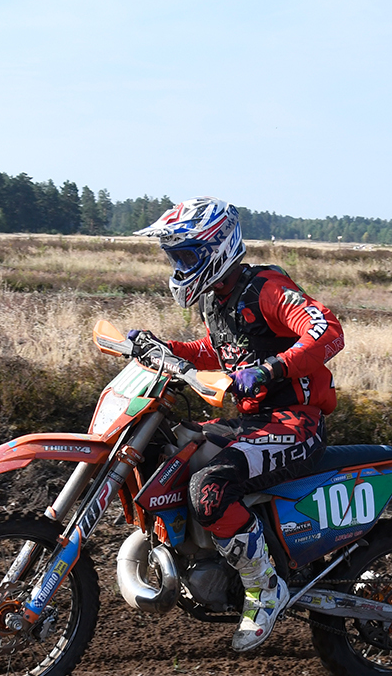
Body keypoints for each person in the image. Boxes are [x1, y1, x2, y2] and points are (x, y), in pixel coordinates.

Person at [127, 197, 344, 652]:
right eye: (175, 258)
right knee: (170, 451)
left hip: (296, 423)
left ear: (216, 249)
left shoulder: (266, 288)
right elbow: (219, 350)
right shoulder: (217, 298)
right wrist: (165, 348)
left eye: (186, 256)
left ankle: (264, 588)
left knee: (209, 487)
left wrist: (272, 369)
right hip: (254, 422)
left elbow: (327, 330)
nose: (179, 267)